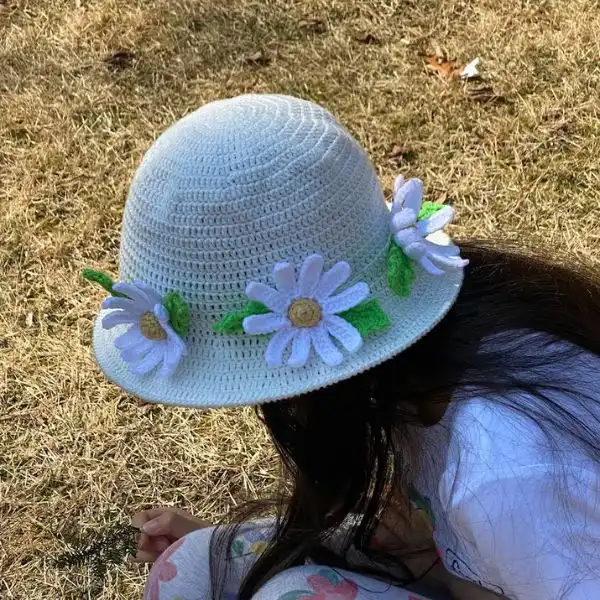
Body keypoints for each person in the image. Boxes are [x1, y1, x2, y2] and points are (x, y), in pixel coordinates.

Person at [83, 95, 600, 600]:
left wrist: (425, 572)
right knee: (190, 565)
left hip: (506, 565)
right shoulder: (419, 367)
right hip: (481, 560)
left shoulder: (504, 470)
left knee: (289, 594)